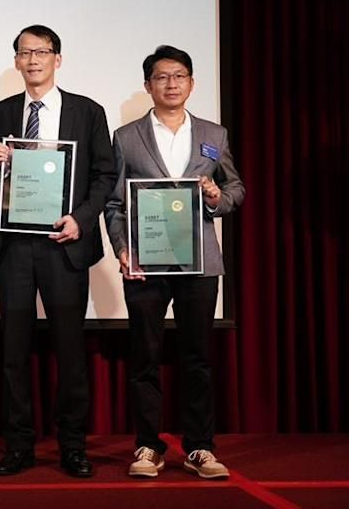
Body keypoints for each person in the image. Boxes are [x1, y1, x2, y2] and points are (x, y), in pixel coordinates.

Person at [104, 45, 244, 479]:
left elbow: (236, 189)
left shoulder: (214, 135)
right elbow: (114, 203)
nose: (171, 84)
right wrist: (122, 249)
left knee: (197, 356)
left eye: (179, 76)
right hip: (145, 262)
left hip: (199, 262)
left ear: (192, 83)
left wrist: (217, 197)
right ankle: (148, 445)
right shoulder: (126, 137)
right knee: (144, 356)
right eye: (162, 77)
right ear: (148, 85)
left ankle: (200, 447)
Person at [0, 25, 115, 478]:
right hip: (17, 245)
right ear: (16, 61)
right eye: (25, 53)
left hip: (65, 243)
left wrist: (81, 217)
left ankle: (73, 446)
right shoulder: (3, 111)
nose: (33, 60)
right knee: (14, 350)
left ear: (57, 59)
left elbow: (104, 175)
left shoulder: (87, 111)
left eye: (41, 52)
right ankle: (18, 445)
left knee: (70, 349)